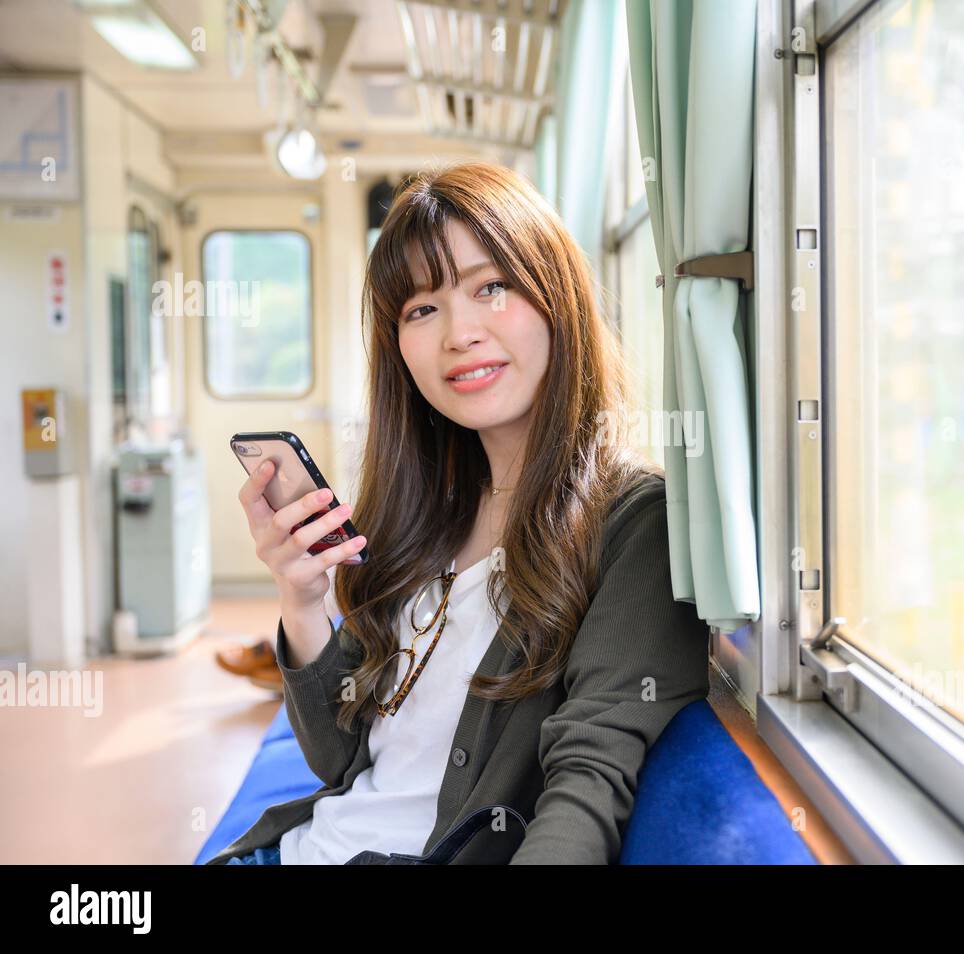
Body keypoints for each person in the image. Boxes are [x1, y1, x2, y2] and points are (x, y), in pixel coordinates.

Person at [207, 160, 711, 865]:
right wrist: (301, 598)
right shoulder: (425, 514)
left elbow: (589, 782)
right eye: (421, 308)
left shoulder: (633, 523)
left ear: (555, 297)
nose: (458, 332)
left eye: (491, 287)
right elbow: (339, 760)